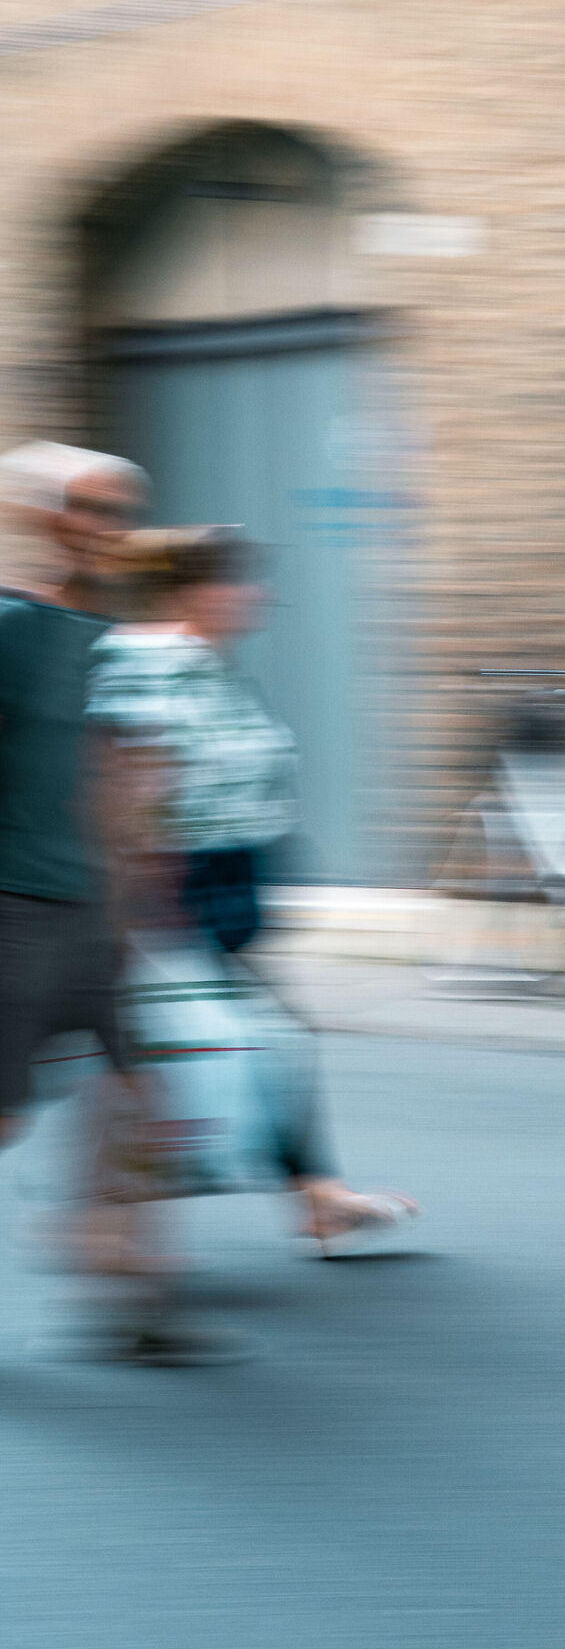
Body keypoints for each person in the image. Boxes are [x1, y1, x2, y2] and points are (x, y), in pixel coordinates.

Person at [89, 525, 417, 1249]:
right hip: (175, 888)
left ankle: (310, 1197)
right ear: (195, 591)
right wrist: (141, 900)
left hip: (222, 884)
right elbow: (128, 782)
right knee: (225, 1045)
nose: (258, 595)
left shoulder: (208, 665)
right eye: (240, 581)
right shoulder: (151, 664)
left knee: (254, 1042)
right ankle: (115, 1219)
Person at [0, 442, 164, 1305]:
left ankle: (129, 1279)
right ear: (46, 518)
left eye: (122, 513)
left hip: (95, 907)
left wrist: (134, 888)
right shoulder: (11, 626)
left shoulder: (121, 638)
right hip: (18, 905)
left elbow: (126, 773)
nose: (107, 528)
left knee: (143, 1085)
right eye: (89, 507)